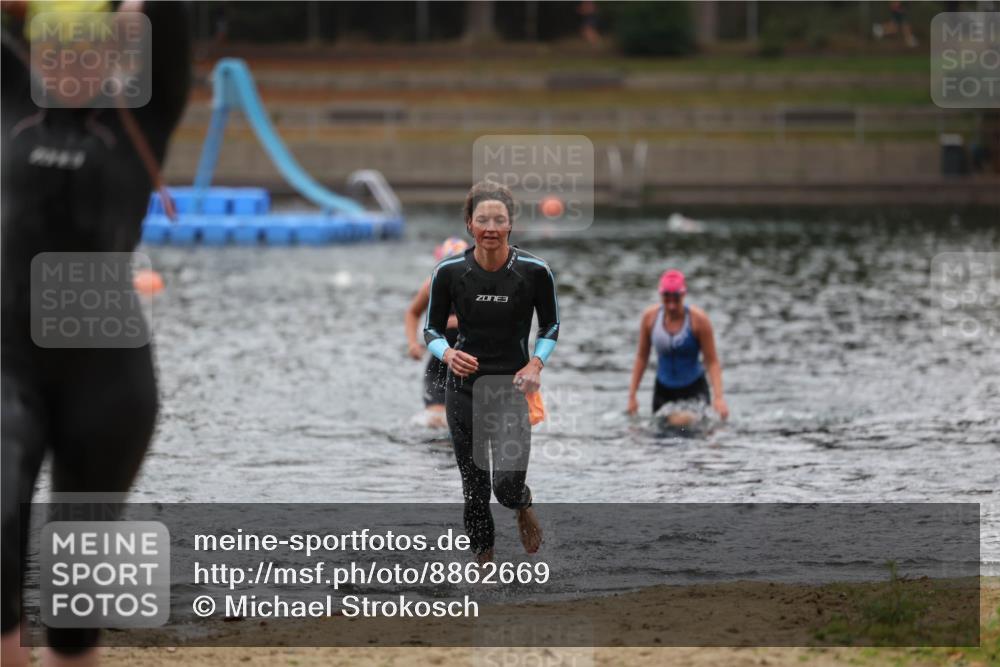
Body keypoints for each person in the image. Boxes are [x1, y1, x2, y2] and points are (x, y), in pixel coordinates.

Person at [1, 2, 190, 665]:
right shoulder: (7, 100)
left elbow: (171, 22)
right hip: (7, 360)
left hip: (108, 378)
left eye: (87, 48)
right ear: (34, 47)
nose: (70, 63)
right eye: (55, 48)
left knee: (73, 605)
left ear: (113, 49)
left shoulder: (142, 114)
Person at [424, 180, 559, 564]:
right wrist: (447, 354)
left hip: (512, 388)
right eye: (482, 219)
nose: (490, 227)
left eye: (499, 219)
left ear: (510, 224)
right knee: (475, 487)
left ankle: (522, 505)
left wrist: (536, 362)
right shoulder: (449, 272)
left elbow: (550, 326)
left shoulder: (535, 271)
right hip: (463, 387)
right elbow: (431, 329)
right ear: (469, 223)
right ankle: (485, 570)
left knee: (506, 484)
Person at [627, 269, 729, 426]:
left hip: (693, 388)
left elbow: (712, 361)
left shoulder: (699, 321)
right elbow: (642, 357)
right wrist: (632, 395)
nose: (672, 305)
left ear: (684, 295)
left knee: (685, 424)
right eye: (667, 299)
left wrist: (719, 397)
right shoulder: (650, 319)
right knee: (661, 437)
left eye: (676, 299)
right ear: (661, 296)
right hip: (663, 390)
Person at [405, 237, 468, 428]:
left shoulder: (478, 285)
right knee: (436, 422)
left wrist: (458, 321)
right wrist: (413, 344)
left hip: (471, 362)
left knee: (467, 422)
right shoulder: (433, 283)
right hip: (440, 365)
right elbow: (413, 312)